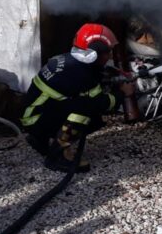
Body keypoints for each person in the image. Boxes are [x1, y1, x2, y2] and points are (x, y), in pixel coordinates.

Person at [20, 23, 136, 172]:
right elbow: (99, 103)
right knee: (85, 112)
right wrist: (123, 93)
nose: (110, 56)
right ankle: (57, 157)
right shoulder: (82, 74)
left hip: (34, 114)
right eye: (107, 52)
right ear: (94, 52)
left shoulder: (72, 62)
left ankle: (40, 140)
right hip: (35, 120)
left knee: (80, 107)